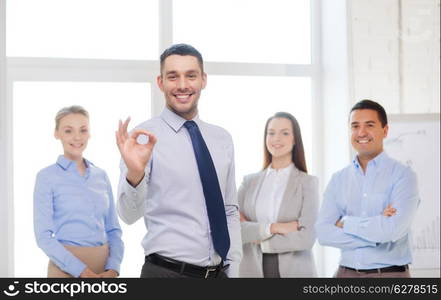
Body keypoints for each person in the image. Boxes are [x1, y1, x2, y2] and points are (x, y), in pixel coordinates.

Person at [115, 43, 242, 278]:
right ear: (161, 82)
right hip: (166, 274)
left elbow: (229, 209)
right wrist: (135, 174)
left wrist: (232, 269)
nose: (182, 85)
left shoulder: (221, 138)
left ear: (203, 80)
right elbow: (128, 215)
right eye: (173, 77)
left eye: (190, 75)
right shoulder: (143, 139)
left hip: (220, 274)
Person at [315, 99, 419, 278]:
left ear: (385, 131)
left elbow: (393, 230)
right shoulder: (338, 179)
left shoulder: (404, 176)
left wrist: (346, 222)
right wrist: (377, 237)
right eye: (355, 126)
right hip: (344, 274)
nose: (361, 132)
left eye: (369, 125)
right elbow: (323, 233)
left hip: (389, 276)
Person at [34, 105, 124, 278]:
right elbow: (43, 236)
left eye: (83, 130)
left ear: (89, 133)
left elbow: (113, 230)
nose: (77, 137)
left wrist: (114, 268)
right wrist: (81, 271)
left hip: (105, 271)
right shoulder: (46, 177)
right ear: (57, 133)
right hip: (65, 270)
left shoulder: (101, 176)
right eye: (68, 131)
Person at [238, 112, 318, 277]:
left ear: (295, 139)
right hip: (252, 271)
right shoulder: (248, 182)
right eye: (271, 133)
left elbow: (307, 237)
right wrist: (274, 228)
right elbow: (233, 227)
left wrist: (260, 240)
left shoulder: (308, 183)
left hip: (295, 271)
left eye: (285, 133)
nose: (276, 138)